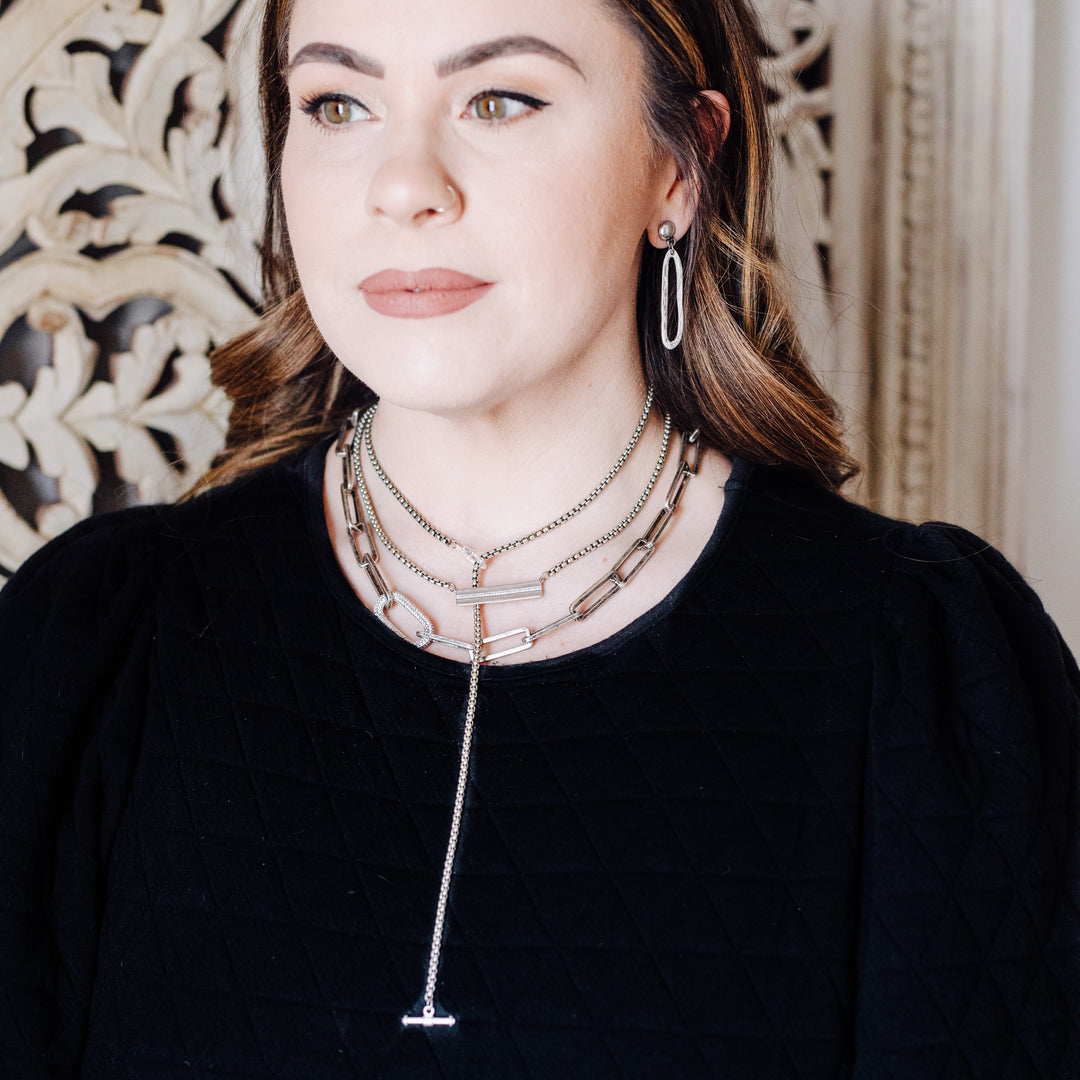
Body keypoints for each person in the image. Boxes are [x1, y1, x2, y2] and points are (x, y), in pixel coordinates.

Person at [2, 0, 1078, 1074]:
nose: (403, 183)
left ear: (681, 166)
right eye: (337, 103)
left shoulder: (924, 673)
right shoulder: (97, 646)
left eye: (499, 97)